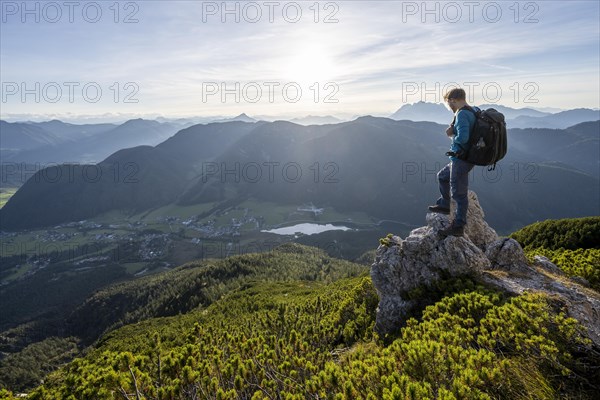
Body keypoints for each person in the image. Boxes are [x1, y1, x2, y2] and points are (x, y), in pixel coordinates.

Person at [428, 88, 478, 237]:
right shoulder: (472, 110)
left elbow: (463, 138)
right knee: (442, 176)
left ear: (454, 100)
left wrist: (451, 134)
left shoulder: (462, 114)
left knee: (459, 194)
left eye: (449, 102)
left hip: (462, 159)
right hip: (462, 158)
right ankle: (444, 204)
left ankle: (458, 226)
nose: (449, 106)